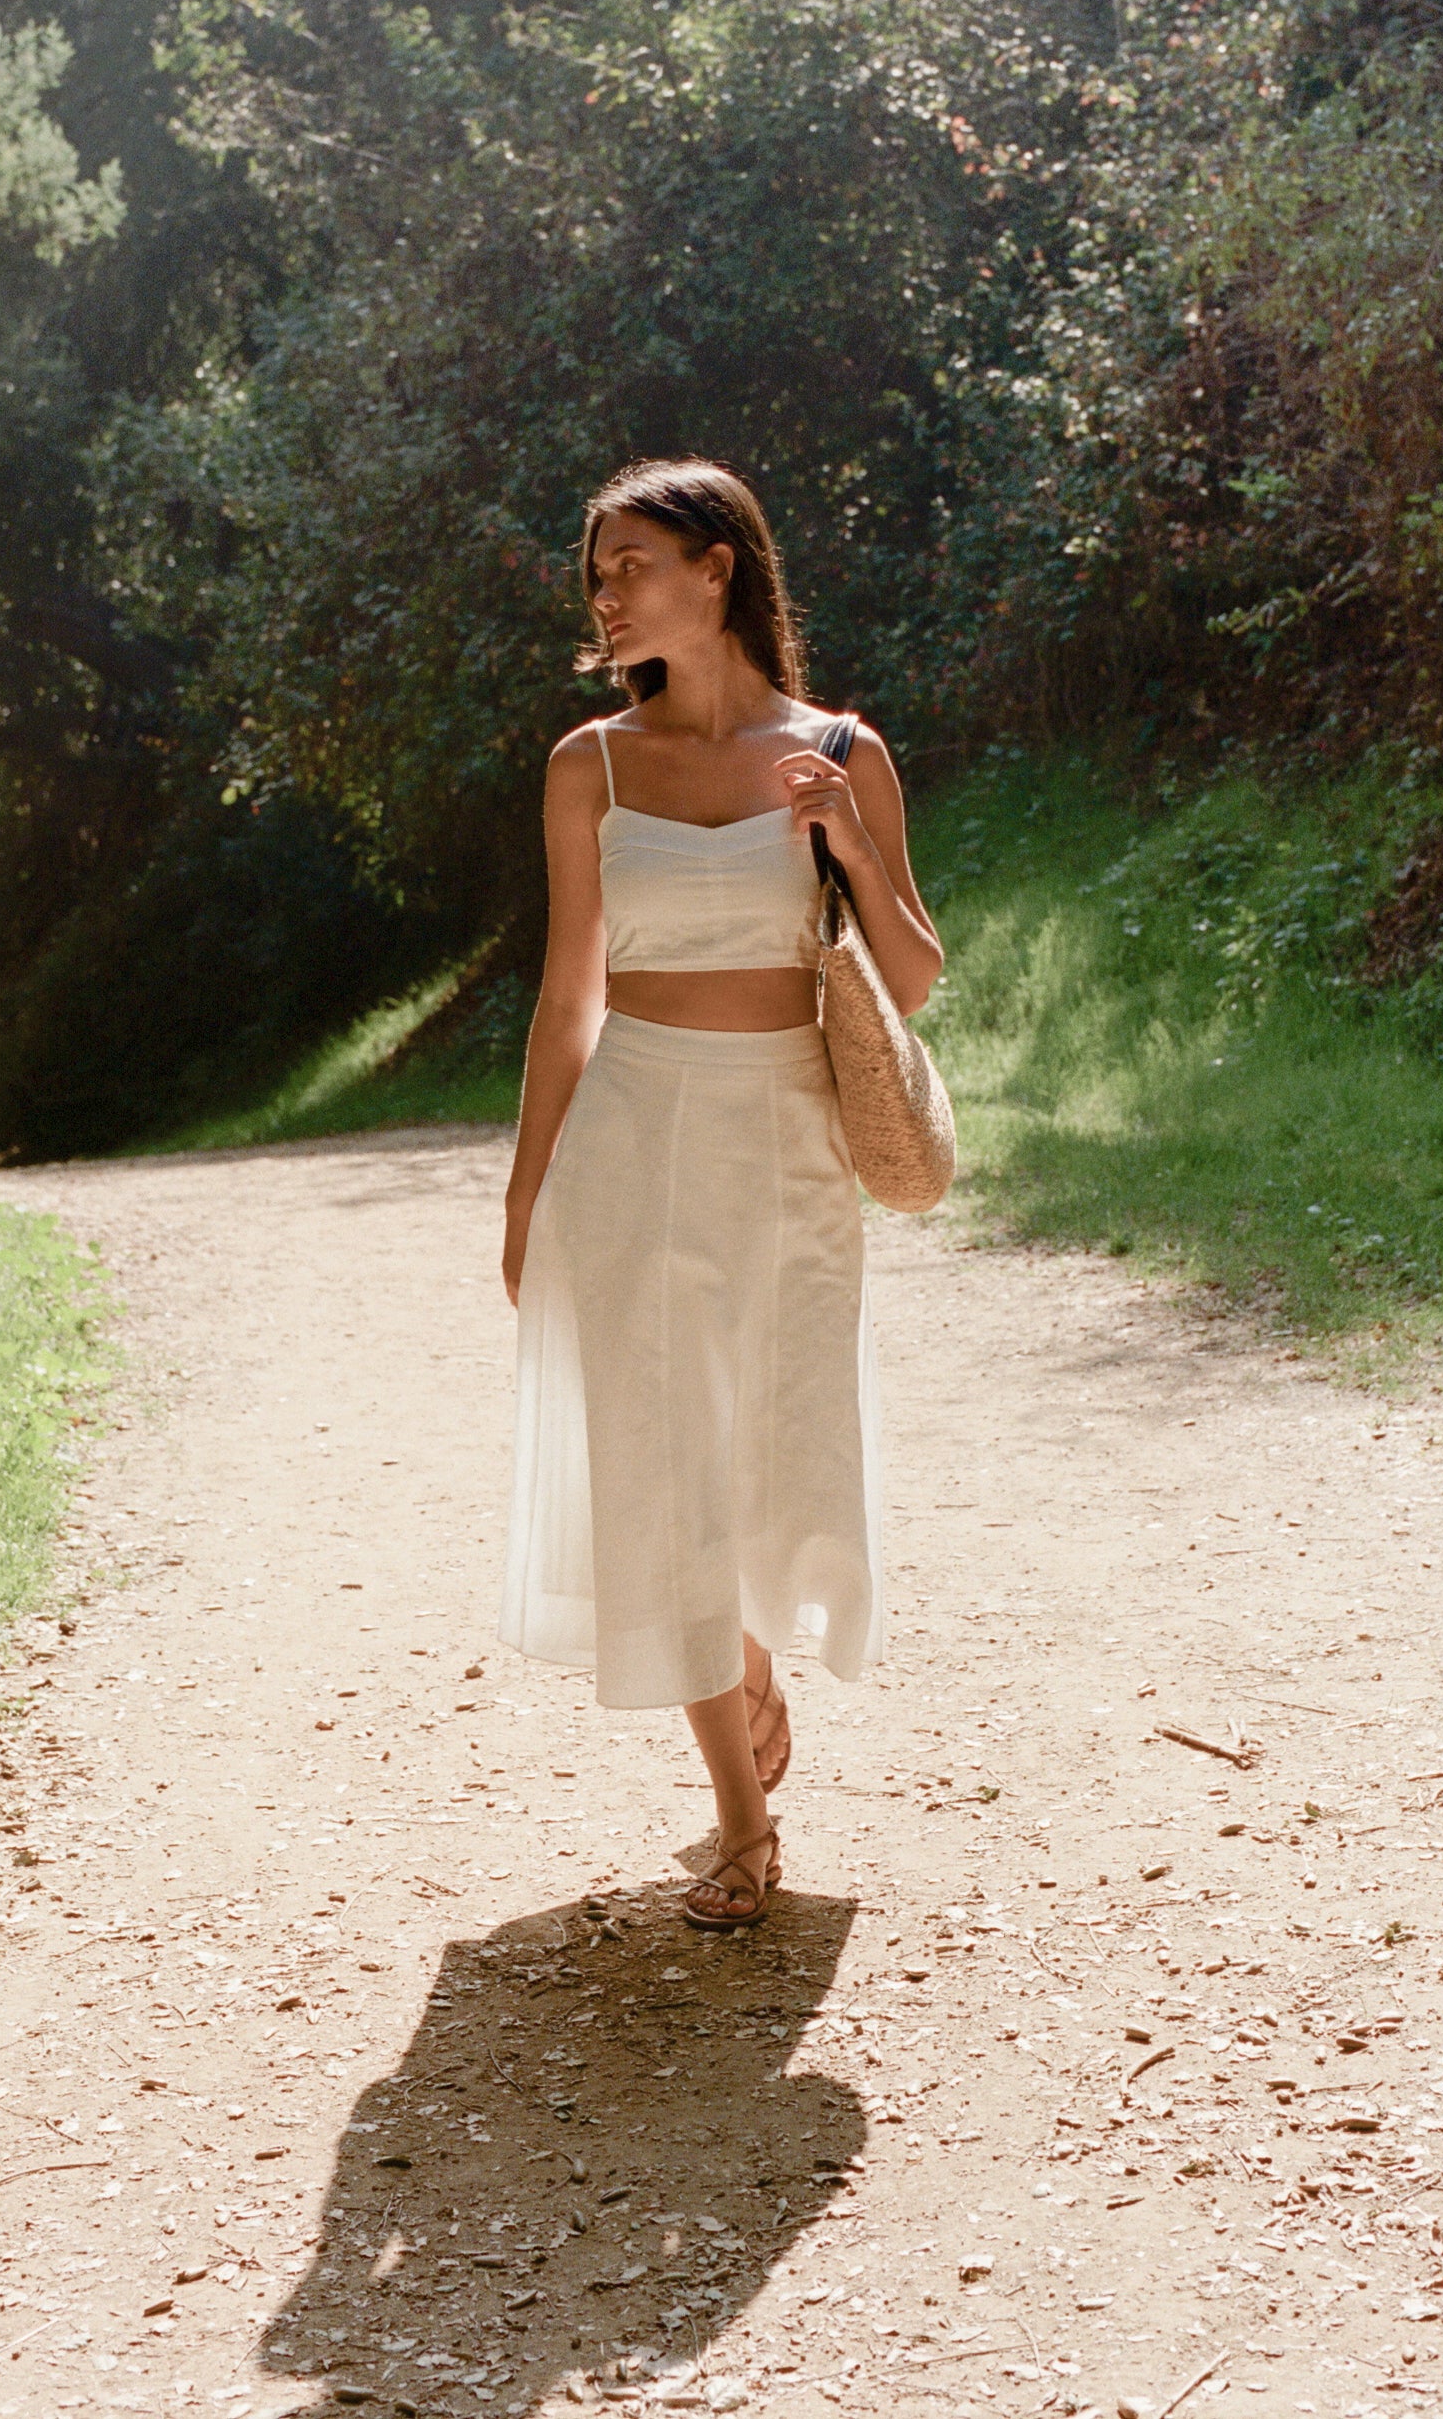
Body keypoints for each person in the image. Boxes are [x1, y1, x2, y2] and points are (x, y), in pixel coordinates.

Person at [498, 458, 943, 1929]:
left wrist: (850, 843)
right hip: (631, 1136)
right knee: (659, 1457)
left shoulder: (840, 746)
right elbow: (570, 994)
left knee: (776, 1435)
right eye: (597, 572)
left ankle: (753, 1639)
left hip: (792, 1136)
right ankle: (742, 1824)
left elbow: (919, 971)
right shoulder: (590, 766)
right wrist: (526, 1188)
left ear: (718, 569)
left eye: (631, 562)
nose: (608, 591)